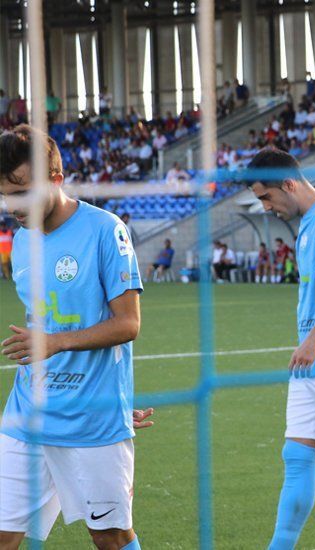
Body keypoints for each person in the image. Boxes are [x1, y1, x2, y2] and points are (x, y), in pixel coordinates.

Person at [0, 125, 144, 549]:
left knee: (111, 537)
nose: (14, 205)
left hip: (92, 419)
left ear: (57, 180)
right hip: (27, 414)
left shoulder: (105, 230)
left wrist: (57, 344)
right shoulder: (21, 241)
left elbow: (128, 323)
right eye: (6, 194)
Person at [244, 148, 315, 549]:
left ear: (288, 184)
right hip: (307, 363)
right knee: (297, 456)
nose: (267, 207)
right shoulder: (306, 224)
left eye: (267, 198)